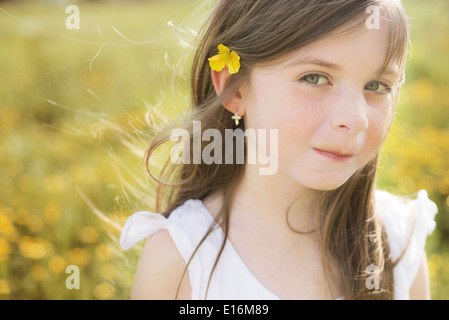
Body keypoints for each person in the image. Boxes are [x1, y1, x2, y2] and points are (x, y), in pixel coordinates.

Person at [119, 0, 438, 300]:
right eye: (314, 78)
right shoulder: (181, 260)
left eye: (377, 86)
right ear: (234, 89)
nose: (356, 119)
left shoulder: (398, 243)